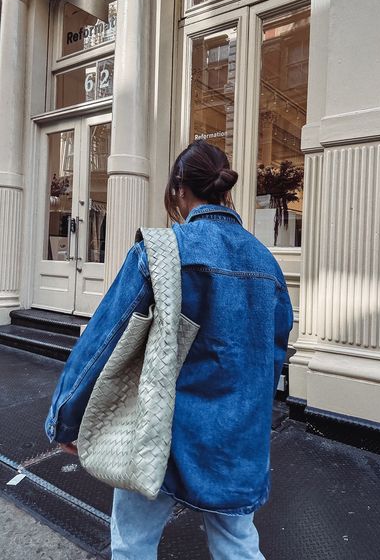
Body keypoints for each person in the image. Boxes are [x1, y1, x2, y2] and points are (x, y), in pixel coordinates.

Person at [44, 139, 294, 559]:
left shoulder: (160, 251)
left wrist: (66, 419)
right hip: (236, 440)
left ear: (179, 189)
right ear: (225, 190)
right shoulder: (266, 262)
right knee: (238, 547)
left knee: (133, 544)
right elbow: (272, 358)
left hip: (161, 430)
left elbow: (103, 339)